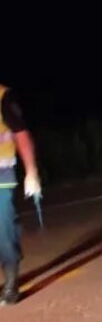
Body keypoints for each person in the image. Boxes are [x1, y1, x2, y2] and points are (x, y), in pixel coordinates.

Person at [0, 84, 41, 306]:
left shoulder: (3, 97)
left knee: (3, 228)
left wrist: (31, 172)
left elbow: (21, 134)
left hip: (1, 177)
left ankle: (11, 281)